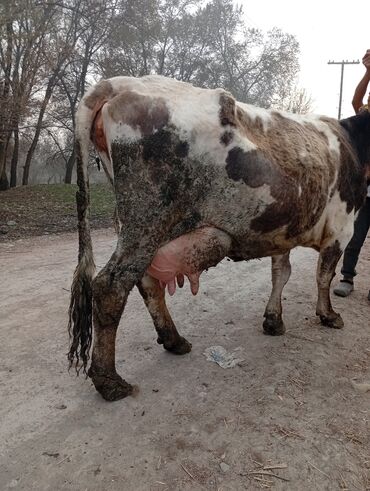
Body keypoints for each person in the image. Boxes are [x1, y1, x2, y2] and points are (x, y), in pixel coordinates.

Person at [333, 49, 370, 299]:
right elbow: (356, 102)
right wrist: (368, 72)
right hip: (364, 194)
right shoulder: (366, 117)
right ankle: (347, 277)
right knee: (355, 237)